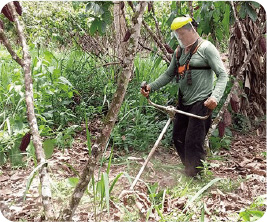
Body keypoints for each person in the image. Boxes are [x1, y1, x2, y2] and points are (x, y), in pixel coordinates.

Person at [140, 17, 228, 177]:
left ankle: (197, 179)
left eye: (181, 33)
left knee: (193, 142)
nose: (179, 37)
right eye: (177, 34)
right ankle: (191, 171)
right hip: (184, 102)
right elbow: (168, 74)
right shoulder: (179, 51)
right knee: (178, 138)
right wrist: (150, 87)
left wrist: (215, 97)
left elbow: (222, 75)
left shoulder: (207, 48)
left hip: (201, 103)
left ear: (191, 31)